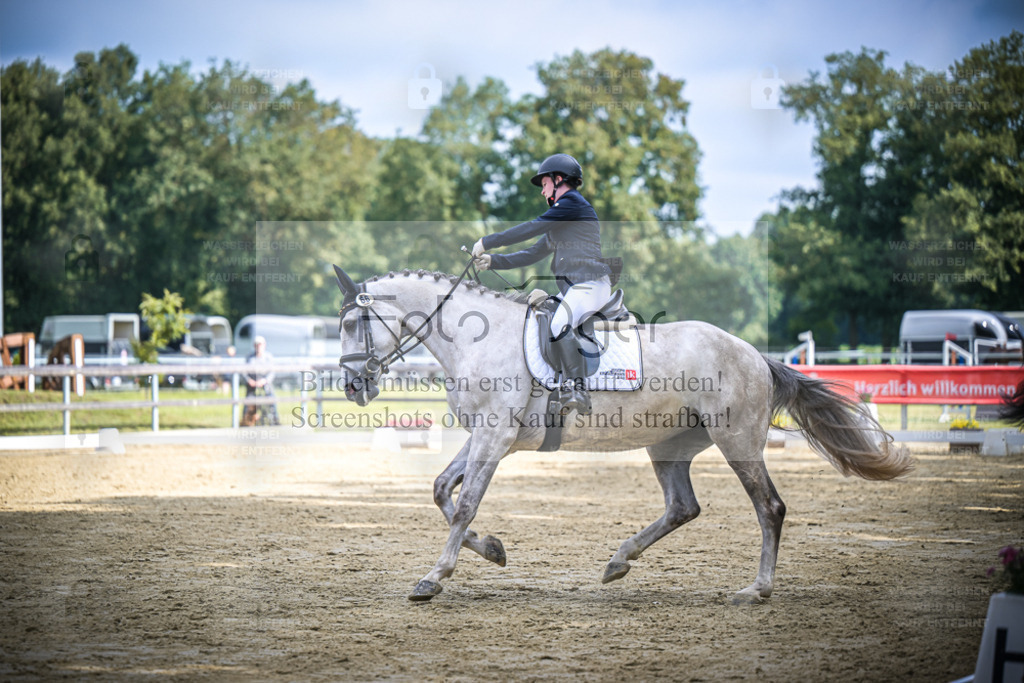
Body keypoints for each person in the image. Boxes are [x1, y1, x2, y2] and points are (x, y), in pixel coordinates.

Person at [472, 153, 612, 416]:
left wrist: (488, 241)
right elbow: (532, 253)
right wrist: (493, 261)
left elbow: (531, 227)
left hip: (591, 284)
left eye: (544, 184)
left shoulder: (572, 203)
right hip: (576, 288)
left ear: (559, 180)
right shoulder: (561, 221)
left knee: (559, 325)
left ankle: (577, 389)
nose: (542, 191)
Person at [243, 336, 280, 425]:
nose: (259, 346)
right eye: (257, 345)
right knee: (248, 401)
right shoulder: (249, 357)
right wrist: (250, 380)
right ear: (254, 346)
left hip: (265, 384)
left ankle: (275, 420)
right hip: (252, 384)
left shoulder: (268, 357)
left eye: (260, 344)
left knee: (271, 399)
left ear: (264, 345)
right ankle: (245, 421)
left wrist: (265, 381)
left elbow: (272, 372)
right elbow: (244, 371)